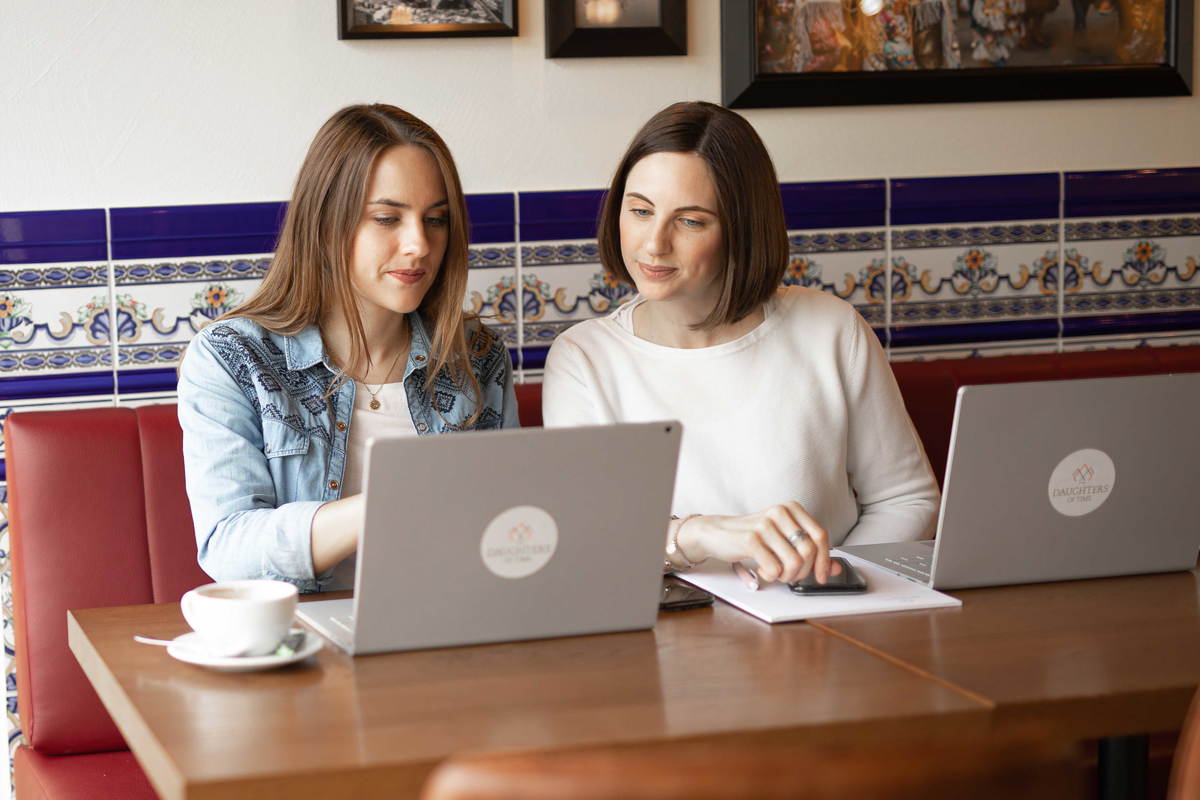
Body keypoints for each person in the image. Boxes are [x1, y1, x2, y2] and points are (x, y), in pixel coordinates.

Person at [542, 101, 939, 587]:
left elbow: (906, 500)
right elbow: (586, 536)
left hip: (823, 633)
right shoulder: (583, 358)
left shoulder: (832, 330)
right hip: (664, 635)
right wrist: (699, 534)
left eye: (690, 221)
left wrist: (830, 584)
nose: (653, 244)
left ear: (742, 231)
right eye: (641, 211)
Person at [178, 104, 518, 594]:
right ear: (325, 222)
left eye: (436, 220)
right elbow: (229, 548)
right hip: (304, 648)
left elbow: (507, 529)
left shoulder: (476, 354)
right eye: (387, 218)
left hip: (453, 634)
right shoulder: (233, 357)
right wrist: (390, 502)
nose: (419, 245)